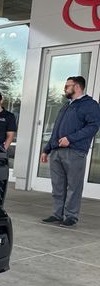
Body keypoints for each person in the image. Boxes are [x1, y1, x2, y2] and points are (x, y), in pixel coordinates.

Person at [40, 76, 100, 227]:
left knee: (73, 186)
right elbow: (56, 130)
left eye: (67, 86)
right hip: (56, 151)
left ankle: (71, 216)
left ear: (77, 87)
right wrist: (46, 150)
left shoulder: (90, 105)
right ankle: (57, 214)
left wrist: (71, 139)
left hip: (75, 151)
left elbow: (93, 127)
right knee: (58, 186)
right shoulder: (66, 105)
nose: (64, 88)